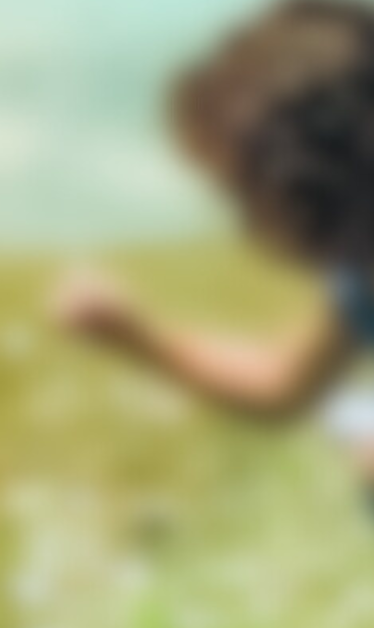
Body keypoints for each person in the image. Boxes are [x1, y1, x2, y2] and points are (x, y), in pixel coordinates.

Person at [54, 0, 374, 510]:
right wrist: (132, 333)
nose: (244, 228)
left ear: (305, 189)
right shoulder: (361, 273)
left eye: (243, 198)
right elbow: (284, 386)